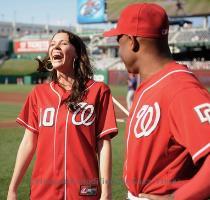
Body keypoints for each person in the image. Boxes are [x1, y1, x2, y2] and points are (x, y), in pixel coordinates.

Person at [103, 3, 210, 200]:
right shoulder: (154, 83)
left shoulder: (181, 89)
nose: (118, 49)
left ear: (132, 41)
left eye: (119, 41)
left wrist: (177, 199)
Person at [7, 29, 118, 200]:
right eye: (52, 44)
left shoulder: (98, 91)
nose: (55, 47)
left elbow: (103, 144)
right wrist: (13, 189)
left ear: (77, 53)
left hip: (85, 191)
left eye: (63, 43)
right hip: (44, 192)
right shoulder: (39, 93)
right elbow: (28, 142)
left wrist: (106, 191)